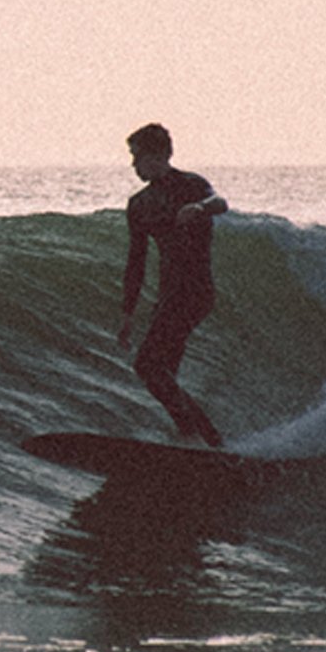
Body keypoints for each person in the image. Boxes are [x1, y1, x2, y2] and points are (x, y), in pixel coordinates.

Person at [118, 123, 227, 448]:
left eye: (137, 157)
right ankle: (212, 443)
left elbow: (220, 203)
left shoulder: (191, 185)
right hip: (168, 297)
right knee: (164, 373)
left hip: (195, 291)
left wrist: (200, 208)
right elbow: (136, 262)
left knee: (147, 365)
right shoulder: (138, 205)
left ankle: (194, 437)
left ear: (158, 156)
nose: (133, 165)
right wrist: (128, 314)